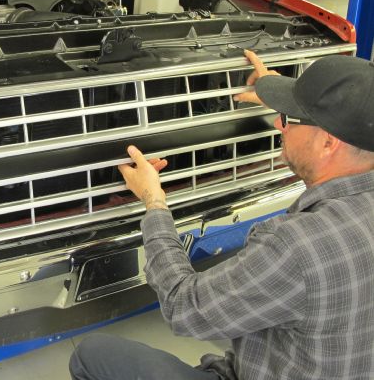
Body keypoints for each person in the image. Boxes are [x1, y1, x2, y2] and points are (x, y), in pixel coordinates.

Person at [69, 50, 374, 380]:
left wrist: (153, 201)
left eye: (287, 118)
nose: (276, 123)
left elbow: (184, 306)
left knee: (90, 355)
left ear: (328, 143)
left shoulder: (297, 246)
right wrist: (277, 89)